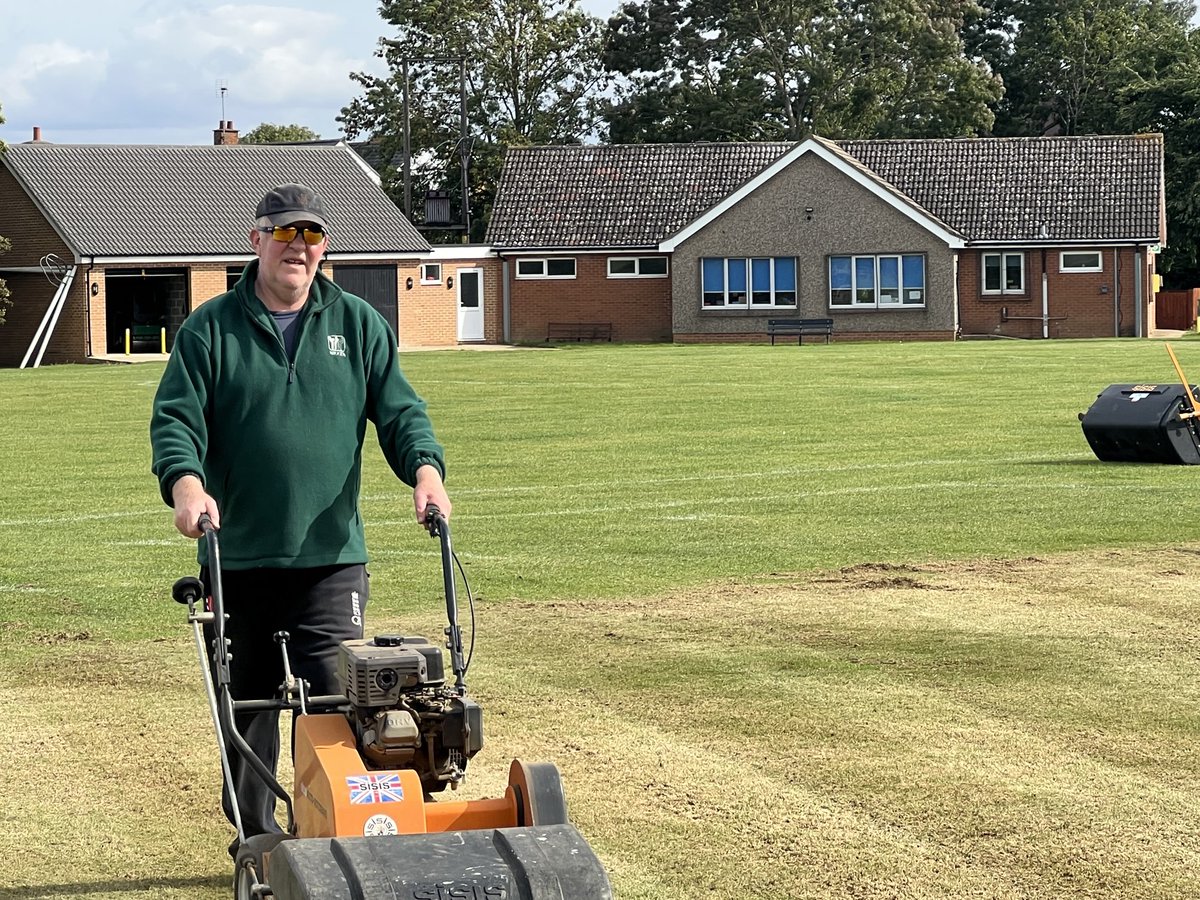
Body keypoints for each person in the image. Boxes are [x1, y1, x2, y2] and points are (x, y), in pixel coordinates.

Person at [150, 182, 450, 855]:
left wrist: (426, 473)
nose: (299, 247)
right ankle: (257, 844)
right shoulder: (211, 329)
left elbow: (402, 413)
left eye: (311, 235)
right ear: (256, 241)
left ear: (324, 248)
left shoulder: (358, 324)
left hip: (331, 559)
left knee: (337, 710)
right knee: (247, 710)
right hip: (239, 558)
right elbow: (176, 421)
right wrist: (187, 490)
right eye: (286, 234)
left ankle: (329, 841)